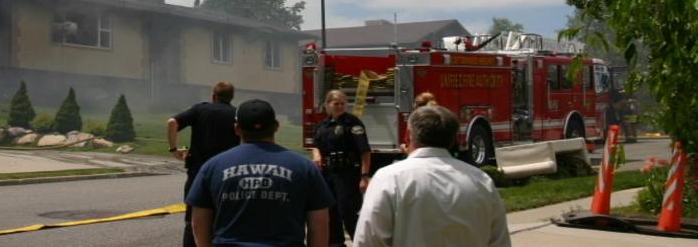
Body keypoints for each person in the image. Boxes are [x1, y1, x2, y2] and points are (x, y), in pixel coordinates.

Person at [353, 105, 511, 247]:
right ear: (453, 139)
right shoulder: (481, 181)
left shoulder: (388, 179)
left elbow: (367, 241)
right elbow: (500, 241)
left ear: (408, 135)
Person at [187, 99, 333, 247]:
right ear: (276, 126)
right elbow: (320, 223)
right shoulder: (304, 167)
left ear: (237, 128)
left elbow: (198, 222)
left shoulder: (213, 166)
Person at [167, 81, 240, 247]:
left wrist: (173, 149)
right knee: (224, 220)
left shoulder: (199, 110)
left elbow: (172, 122)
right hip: (227, 176)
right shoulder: (236, 114)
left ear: (214, 96)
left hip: (198, 174)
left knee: (193, 220)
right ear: (231, 97)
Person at [312, 89, 371, 246]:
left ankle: (360, 243)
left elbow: (364, 151)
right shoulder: (322, 125)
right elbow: (316, 144)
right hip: (328, 174)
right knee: (331, 213)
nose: (339, 106)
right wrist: (316, 154)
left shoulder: (353, 123)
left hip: (347, 174)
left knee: (349, 212)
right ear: (327, 105)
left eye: (343, 104)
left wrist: (364, 176)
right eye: (336, 103)